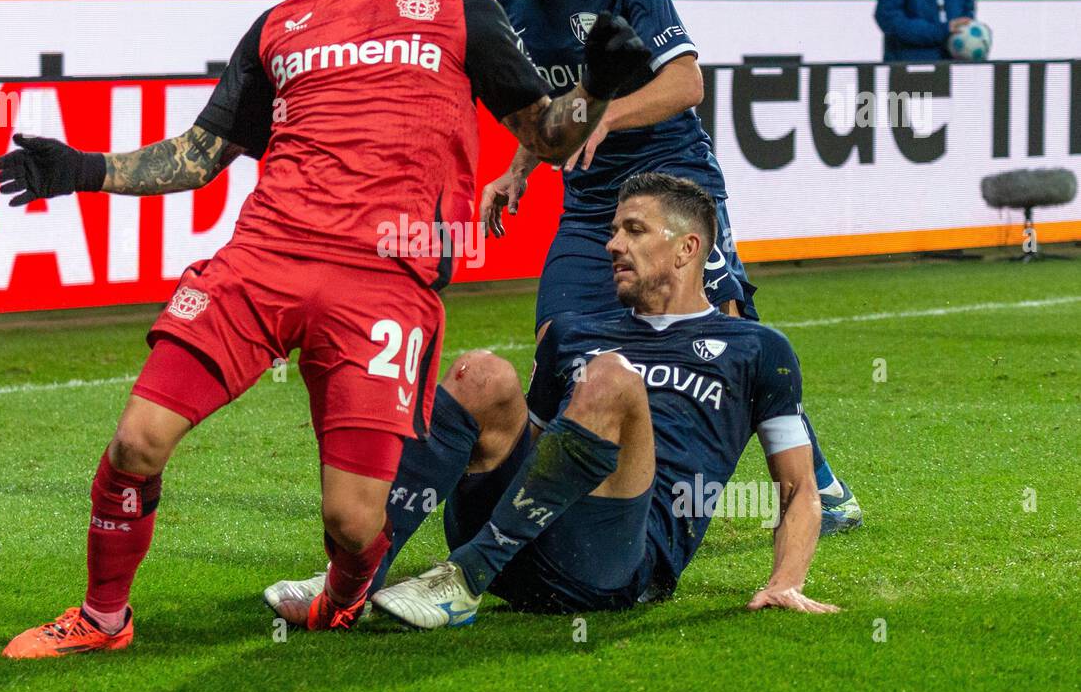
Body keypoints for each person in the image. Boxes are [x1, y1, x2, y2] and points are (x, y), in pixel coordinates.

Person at [0, 0, 648, 654]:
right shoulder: (279, 25)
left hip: (386, 280)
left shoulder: (456, 8)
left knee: (352, 519)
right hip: (261, 256)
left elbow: (547, 133)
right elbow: (199, 154)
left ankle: (344, 590)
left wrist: (594, 88)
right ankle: (102, 617)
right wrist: (82, 169)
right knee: (136, 440)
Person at [477, 0, 859, 530]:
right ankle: (566, 503)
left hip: (671, 177)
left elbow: (686, 82)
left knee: (729, 334)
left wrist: (607, 117)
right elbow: (547, 110)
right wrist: (518, 169)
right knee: (559, 337)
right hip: (592, 197)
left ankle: (818, 483)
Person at [268, 174, 840, 626]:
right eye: (614, 230)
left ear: (687, 248)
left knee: (612, 379)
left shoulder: (758, 348)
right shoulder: (574, 331)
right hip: (528, 539)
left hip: (617, 561)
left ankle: (464, 580)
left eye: (635, 231)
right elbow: (535, 447)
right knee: (483, 371)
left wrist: (786, 580)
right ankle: (354, 578)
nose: (613, 244)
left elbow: (798, 488)